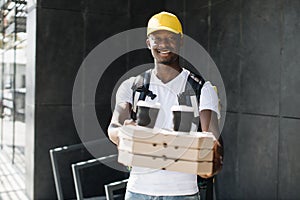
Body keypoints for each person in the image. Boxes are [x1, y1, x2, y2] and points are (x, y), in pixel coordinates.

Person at [108, 11, 223, 200]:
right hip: (138, 192)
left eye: (171, 38)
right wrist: (124, 133)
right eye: (157, 38)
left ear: (181, 41)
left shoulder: (202, 88)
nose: (163, 44)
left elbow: (212, 139)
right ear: (148, 43)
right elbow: (114, 127)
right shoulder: (132, 86)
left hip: (182, 193)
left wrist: (209, 157)